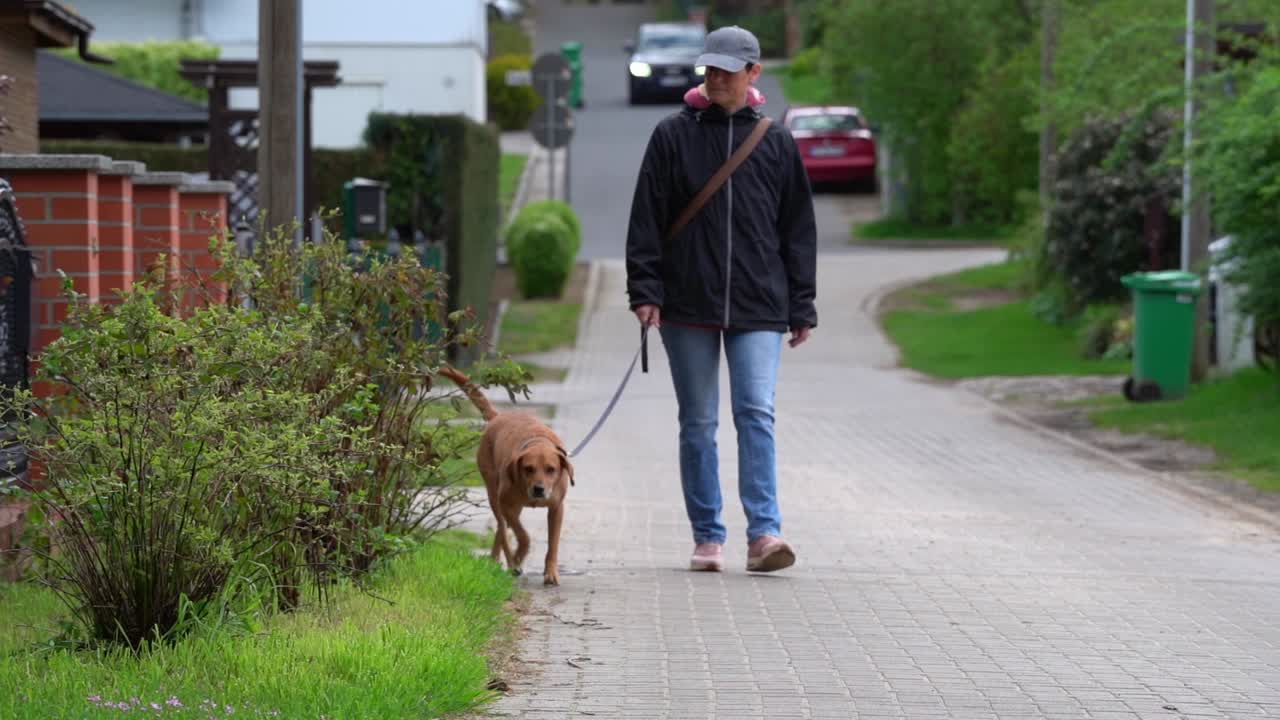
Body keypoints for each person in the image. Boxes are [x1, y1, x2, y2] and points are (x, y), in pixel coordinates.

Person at [624, 25, 818, 573]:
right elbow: (646, 220)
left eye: (726, 72)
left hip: (760, 305)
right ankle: (708, 535)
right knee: (698, 422)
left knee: (756, 412)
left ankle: (765, 535)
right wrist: (645, 290)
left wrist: (801, 305)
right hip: (687, 304)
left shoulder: (775, 141)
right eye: (709, 69)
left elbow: (798, 230)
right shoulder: (671, 135)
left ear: (753, 74)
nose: (714, 80)